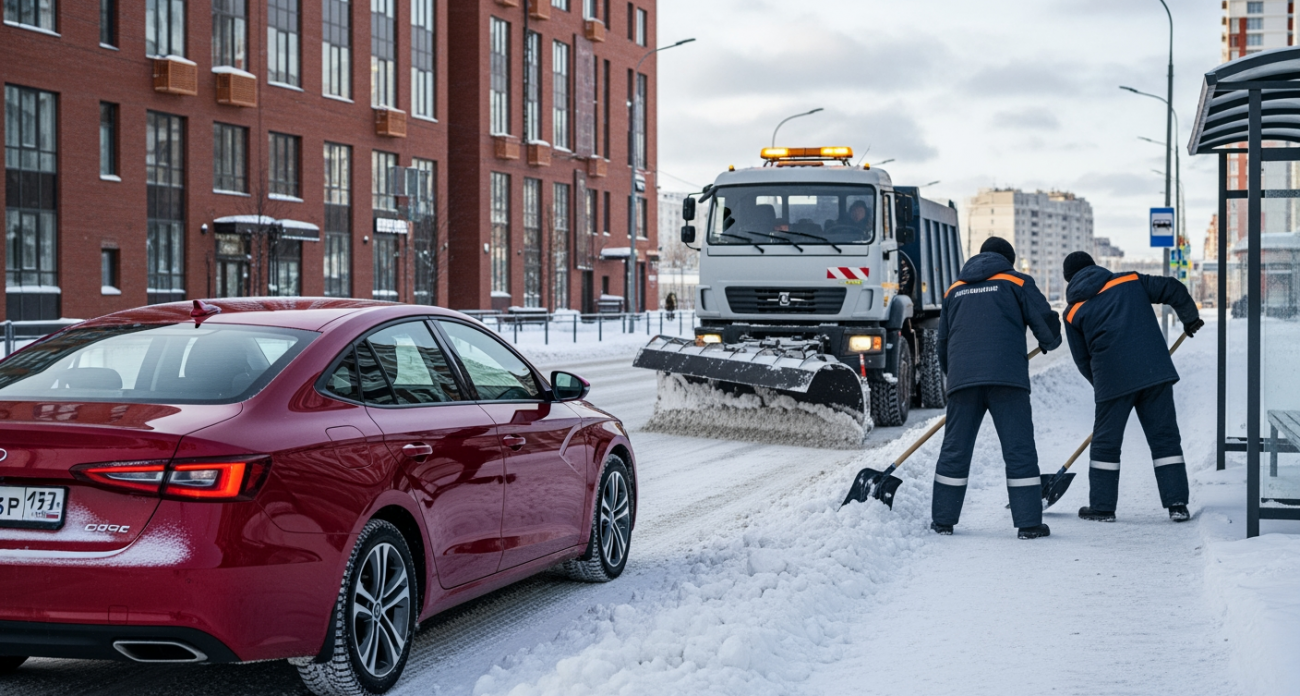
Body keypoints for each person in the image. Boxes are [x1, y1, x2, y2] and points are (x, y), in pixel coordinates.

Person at [1060, 251, 1204, 523]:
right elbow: (1172, 288)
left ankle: (1102, 508)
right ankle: (1176, 504)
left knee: (1105, 445)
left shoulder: (1072, 312)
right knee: (1164, 438)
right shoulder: (1129, 281)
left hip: (1112, 380)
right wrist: (1190, 318)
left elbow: (1082, 360)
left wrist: (1103, 386)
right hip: (1154, 371)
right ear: (1095, 266)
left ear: (1069, 280)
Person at [932, 237, 1062, 539]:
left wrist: (958, 377)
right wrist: (1048, 341)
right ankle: (1029, 523)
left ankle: (943, 521)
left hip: (963, 381)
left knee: (955, 449)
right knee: (1018, 449)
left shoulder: (954, 289)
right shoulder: (1016, 281)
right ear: (1008, 259)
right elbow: (1046, 324)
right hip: (1007, 379)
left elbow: (942, 344)